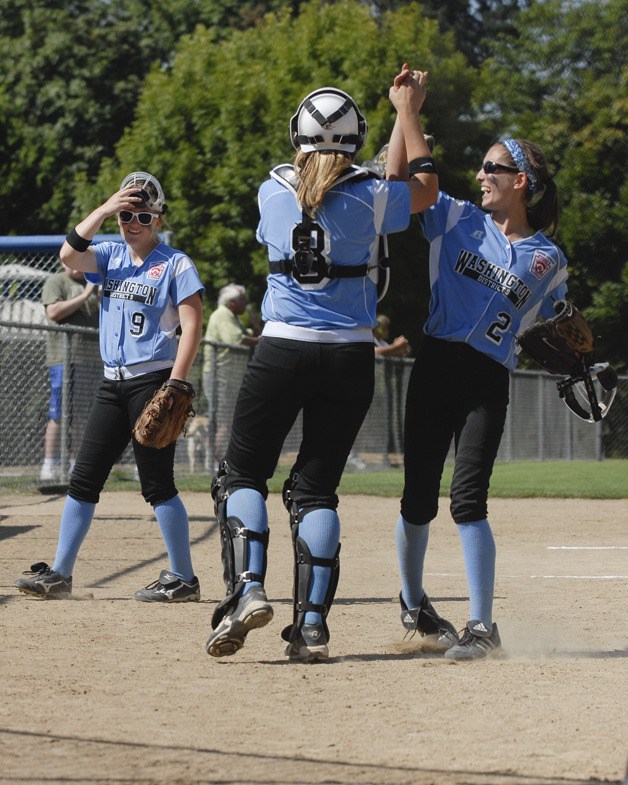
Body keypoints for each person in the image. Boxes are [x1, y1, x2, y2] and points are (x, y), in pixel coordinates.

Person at [205, 74, 438, 662]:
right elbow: (421, 190)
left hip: (282, 349)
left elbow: (333, 181)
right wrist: (408, 111)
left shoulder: (272, 191)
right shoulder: (371, 197)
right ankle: (310, 628)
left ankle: (248, 589)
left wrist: (393, 124)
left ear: (297, 136)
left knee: (241, 476)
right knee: (314, 492)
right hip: (350, 355)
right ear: (356, 141)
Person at [386, 64, 568, 660]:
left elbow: (553, 323)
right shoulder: (458, 218)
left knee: (468, 499)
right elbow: (399, 183)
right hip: (436, 365)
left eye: (495, 167)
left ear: (523, 183)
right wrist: (404, 112)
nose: (483, 174)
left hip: (487, 378)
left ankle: (483, 626)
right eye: (484, 166)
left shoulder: (548, 258)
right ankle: (414, 606)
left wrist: (568, 348)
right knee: (417, 497)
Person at [15, 171, 205, 603]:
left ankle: (183, 578)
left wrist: (177, 381)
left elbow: (192, 326)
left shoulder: (175, 263)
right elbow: (69, 255)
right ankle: (61, 573)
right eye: (126, 216)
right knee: (83, 479)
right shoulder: (110, 255)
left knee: (157, 484)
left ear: (157, 219)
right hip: (112, 383)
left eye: (142, 215)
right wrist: (103, 209)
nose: (132, 223)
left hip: (152, 381)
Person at [40, 262, 100, 481]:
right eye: (71, 260)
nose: (76, 266)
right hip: (63, 359)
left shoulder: (92, 283)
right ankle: (49, 465)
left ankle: (76, 465)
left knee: (83, 417)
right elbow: (53, 311)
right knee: (58, 413)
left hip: (90, 361)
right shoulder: (56, 281)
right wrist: (85, 295)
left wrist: (99, 294)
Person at [202, 284, 260, 471]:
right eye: (243, 299)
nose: (246, 303)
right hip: (220, 377)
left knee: (226, 420)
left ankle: (218, 460)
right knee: (225, 421)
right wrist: (261, 341)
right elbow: (237, 340)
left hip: (229, 378)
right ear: (232, 302)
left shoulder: (233, 318)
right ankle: (215, 461)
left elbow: (251, 334)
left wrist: (255, 325)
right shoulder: (222, 315)